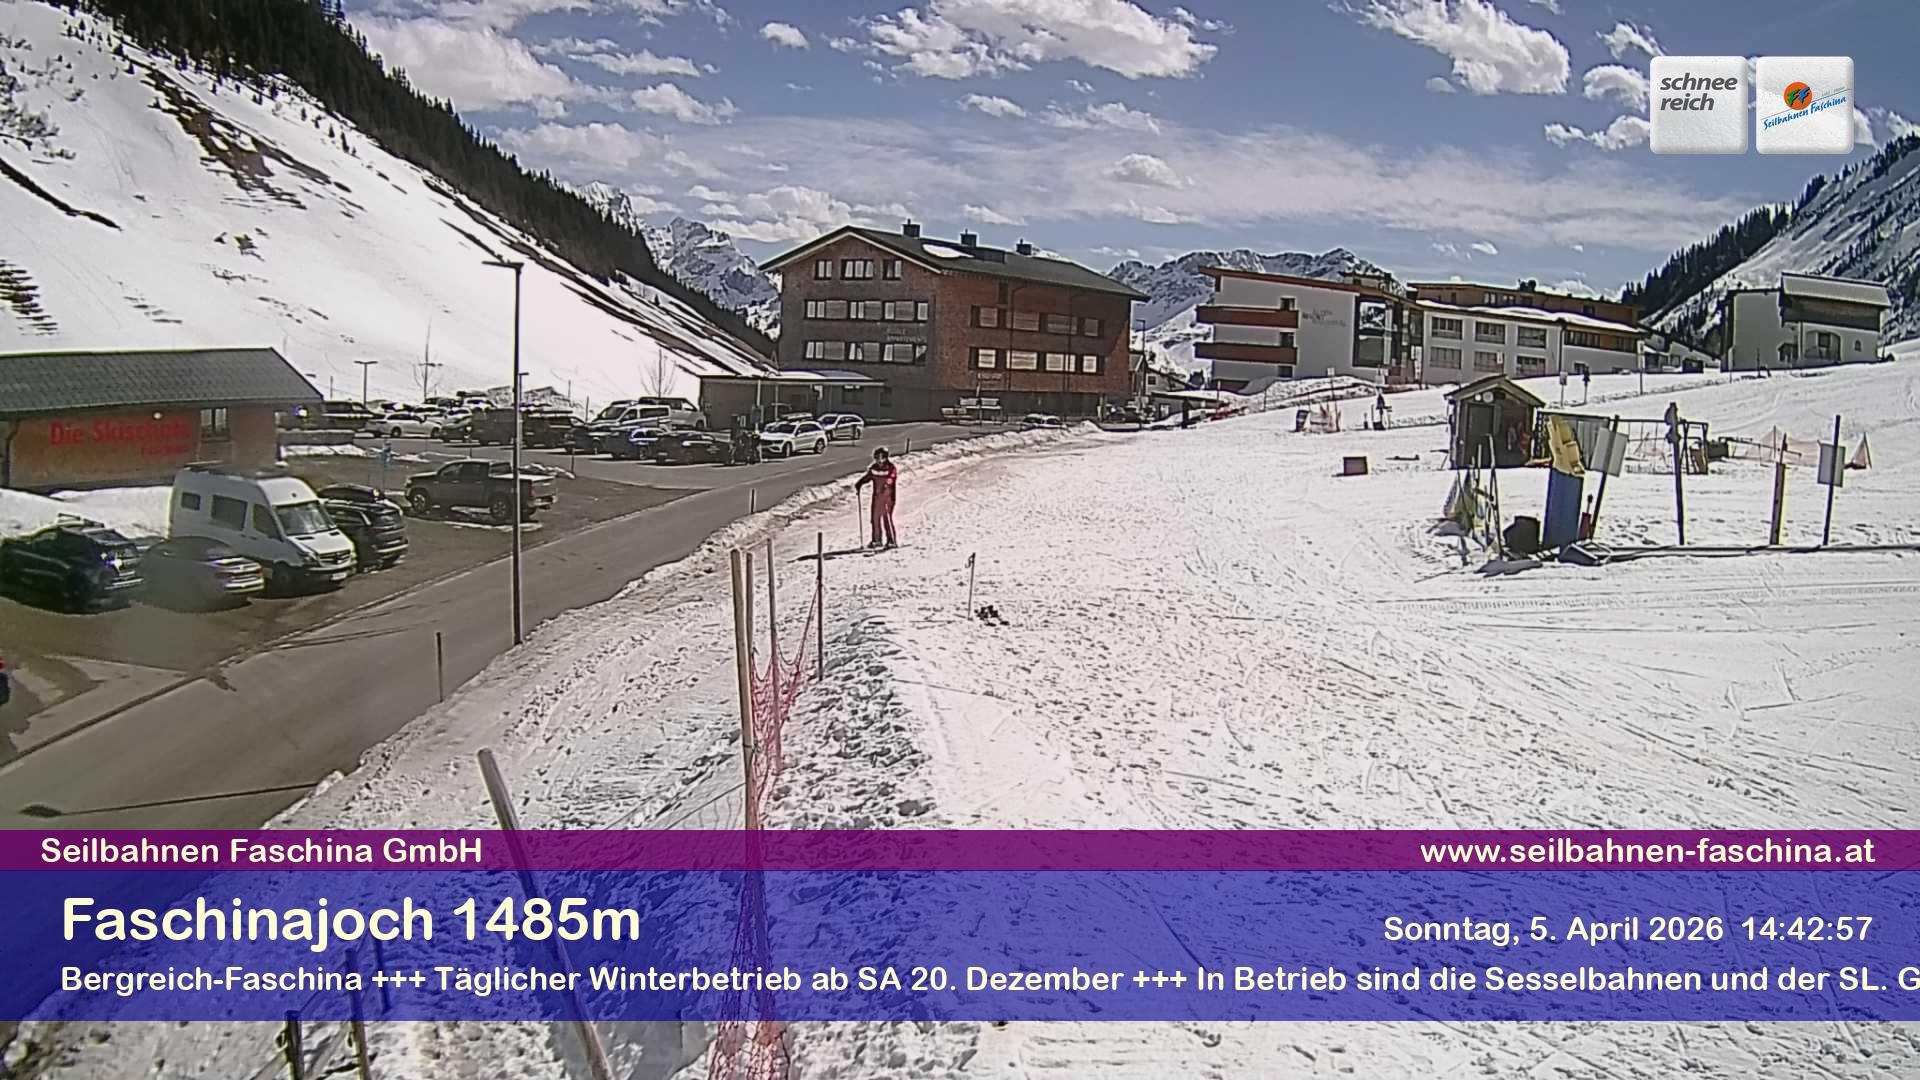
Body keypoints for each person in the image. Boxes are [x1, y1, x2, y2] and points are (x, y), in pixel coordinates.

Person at [855, 447, 898, 549]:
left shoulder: (891, 468)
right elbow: (868, 477)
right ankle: (877, 540)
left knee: (887, 518)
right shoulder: (874, 468)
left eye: (881, 458)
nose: (879, 460)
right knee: (875, 518)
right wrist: (860, 483)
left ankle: (891, 540)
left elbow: (891, 477)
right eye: (877, 458)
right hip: (877, 497)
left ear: (886, 458)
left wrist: (887, 485)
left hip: (888, 498)